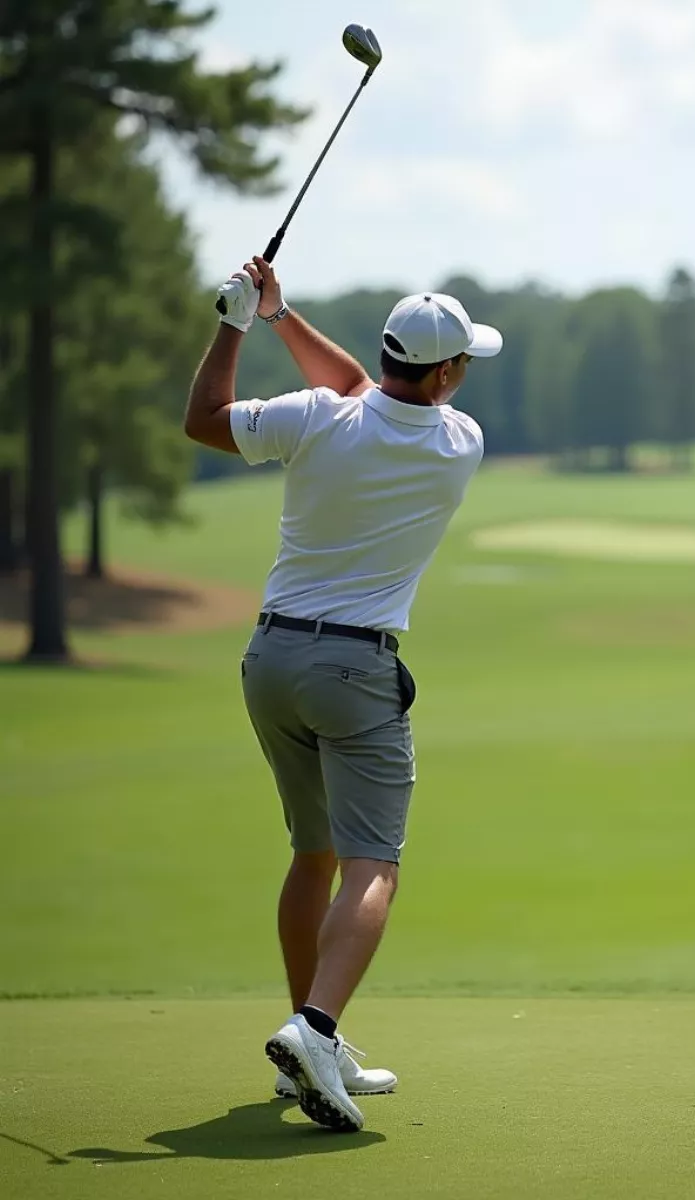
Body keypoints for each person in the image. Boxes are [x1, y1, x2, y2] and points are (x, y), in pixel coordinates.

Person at [183, 257, 502, 1132]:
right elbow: (368, 389)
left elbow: (204, 420)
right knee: (374, 864)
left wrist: (242, 322)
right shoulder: (458, 442)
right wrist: (279, 319)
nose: (465, 374)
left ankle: (306, 1046)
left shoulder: (320, 420)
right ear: (442, 375)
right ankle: (315, 1030)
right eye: (462, 361)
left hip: (271, 661)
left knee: (312, 851)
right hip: (355, 673)